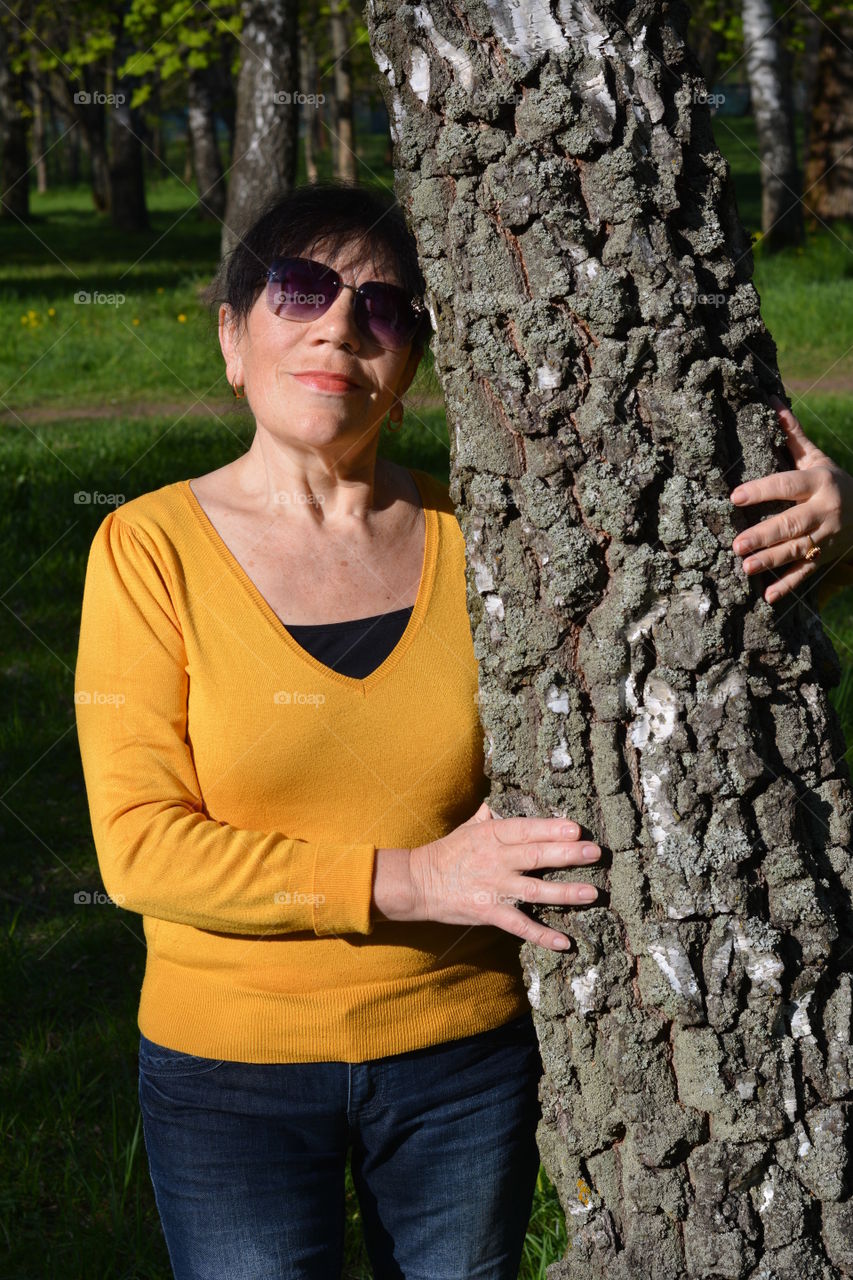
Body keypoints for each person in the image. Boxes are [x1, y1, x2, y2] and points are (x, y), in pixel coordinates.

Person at [74, 181, 853, 1280]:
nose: (339, 325)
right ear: (231, 336)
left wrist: (834, 527)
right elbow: (141, 846)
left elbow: (681, 642)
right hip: (228, 1069)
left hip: (461, 1061)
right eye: (298, 290)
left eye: (382, 308)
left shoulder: (484, 534)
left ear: (412, 363)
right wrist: (417, 877)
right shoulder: (146, 549)